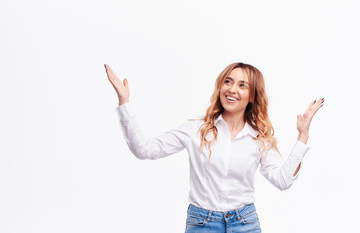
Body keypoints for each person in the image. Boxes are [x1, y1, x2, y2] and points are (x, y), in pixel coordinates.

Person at [105, 62, 323, 233]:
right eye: (228, 82)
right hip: (202, 224)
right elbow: (145, 149)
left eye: (242, 85)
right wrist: (124, 102)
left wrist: (302, 135)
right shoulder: (196, 129)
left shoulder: (259, 139)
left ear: (252, 96)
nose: (232, 89)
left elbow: (283, 180)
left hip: (245, 224)